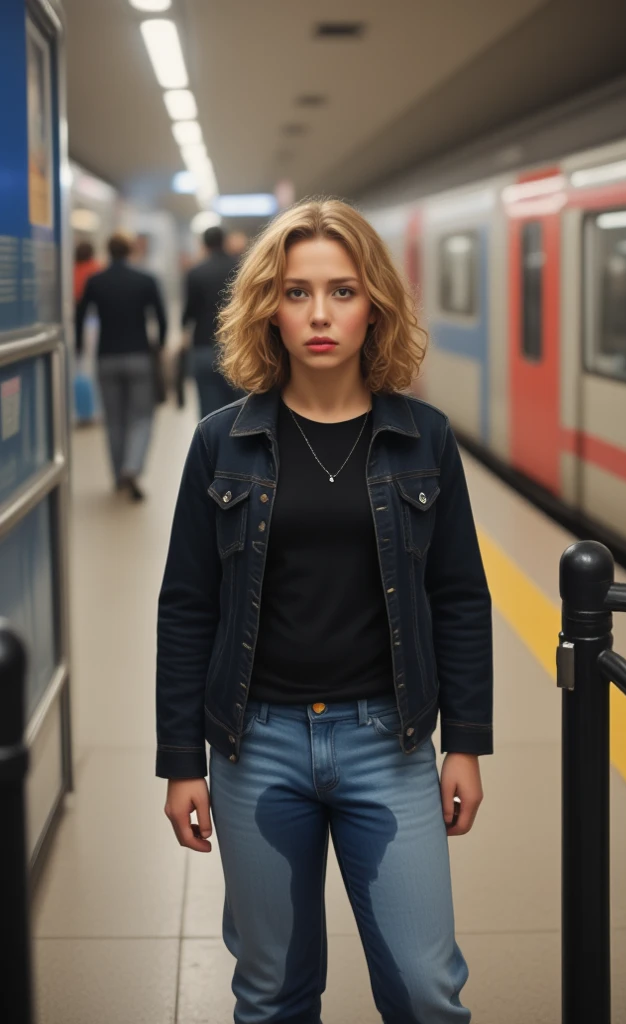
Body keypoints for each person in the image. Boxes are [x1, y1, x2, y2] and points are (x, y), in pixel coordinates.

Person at [156, 199, 493, 1023]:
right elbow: (187, 606)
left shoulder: (425, 438)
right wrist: (181, 760)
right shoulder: (220, 442)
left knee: (426, 988)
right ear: (268, 306)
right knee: (273, 992)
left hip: (391, 741)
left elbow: (459, 596)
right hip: (255, 745)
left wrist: (469, 744)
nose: (318, 315)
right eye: (297, 292)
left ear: (374, 303)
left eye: (341, 292)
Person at [75, 232, 167, 501]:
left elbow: (80, 317)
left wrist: (81, 348)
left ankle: (117, 477)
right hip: (139, 356)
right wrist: (159, 346)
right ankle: (132, 467)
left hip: (106, 358)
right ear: (130, 251)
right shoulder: (145, 280)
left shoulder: (96, 281)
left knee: (114, 421)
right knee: (142, 417)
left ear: (108, 251)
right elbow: (161, 318)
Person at [181, 225, 243, 417]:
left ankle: (214, 447)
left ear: (204, 244)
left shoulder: (195, 273)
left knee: (210, 414)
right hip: (237, 347)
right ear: (224, 242)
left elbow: (188, 313)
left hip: (203, 347)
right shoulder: (240, 269)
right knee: (240, 410)